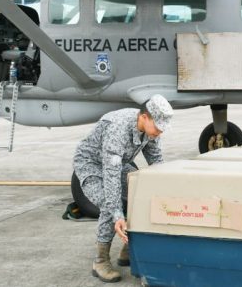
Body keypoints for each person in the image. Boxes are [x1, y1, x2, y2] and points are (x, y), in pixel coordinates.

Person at [73, 94, 173, 283]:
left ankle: (129, 248)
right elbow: (111, 176)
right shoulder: (118, 128)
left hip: (118, 163)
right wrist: (118, 215)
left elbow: (156, 164)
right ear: (144, 117)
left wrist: (166, 190)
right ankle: (100, 261)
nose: (160, 131)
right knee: (109, 204)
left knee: (139, 191)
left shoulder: (151, 131)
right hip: (91, 164)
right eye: (158, 126)